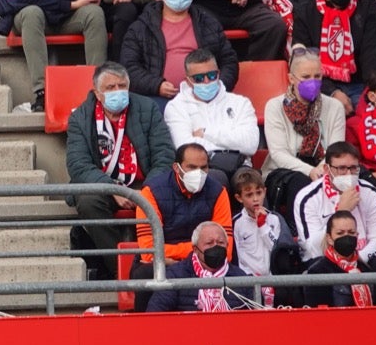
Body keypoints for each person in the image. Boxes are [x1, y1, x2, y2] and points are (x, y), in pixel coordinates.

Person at [63, 62, 174, 278]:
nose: (117, 92)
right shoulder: (80, 118)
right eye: (110, 88)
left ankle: (165, 263)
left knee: (167, 193)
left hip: (144, 182)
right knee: (87, 201)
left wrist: (147, 191)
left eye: (122, 86)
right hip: (105, 183)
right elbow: (78, 164)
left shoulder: (147, 108)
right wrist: (112, 188)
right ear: (97, 92)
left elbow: (164, 154)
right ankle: (125, 270)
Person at [134, 144, 232, 307]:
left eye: (203, 168)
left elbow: (225, 251)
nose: (198, 173)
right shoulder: (150, 192)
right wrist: (196, 252)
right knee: (145, 273)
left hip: (205, 262)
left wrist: (174, 257)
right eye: (192, 167)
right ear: (176, 168)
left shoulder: (218, 192)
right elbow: (149, 252)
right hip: (166, 264)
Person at [262, 49, 348, 230]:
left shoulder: (335, 107)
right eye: (306, 76)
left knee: (354, 175)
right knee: (300, 181)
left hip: (326, 164)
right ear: (292, 78)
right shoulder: (274, 106)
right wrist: (310, 171)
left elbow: (336, 149)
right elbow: (278, 153)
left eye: (317, 76)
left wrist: (323, 169)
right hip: (285, 170)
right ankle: (299, 233)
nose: (313, 82)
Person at [292, 0, 376, 113]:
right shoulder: (305, 12)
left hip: (359, 84)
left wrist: (369, 93)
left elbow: (371, 55)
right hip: (320, 85)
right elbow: (303, 60)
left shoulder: (367, 8)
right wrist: (332, 92)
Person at [163, 49, 258, 188]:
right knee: (215, 179)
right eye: (199, 78)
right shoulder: (176, 107)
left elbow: (250, 145)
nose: (207, 81)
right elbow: (186, 149)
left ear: (218, 73)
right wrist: (232, 143)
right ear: (188, 81)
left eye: (212, 75)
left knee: (251, 182)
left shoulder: (240, 103)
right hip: (200, 168)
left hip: (240, 165)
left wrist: (205, 133)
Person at [291, 141, 376, 261]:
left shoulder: (371, 193)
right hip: (322, 266)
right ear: (326, 169)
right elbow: (311, 249)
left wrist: (355, 263)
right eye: (341, 168)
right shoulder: (307, 197)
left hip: (363, 263)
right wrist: (341, 211)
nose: (348, 173)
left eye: (353, 168)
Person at [146, 221, 255, 313]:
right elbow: (156, 313)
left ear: (227, 246)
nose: (215, 246)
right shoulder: (174, 276)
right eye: (209, 243)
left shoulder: (241, 278)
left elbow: (257, 319)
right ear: (195, 249)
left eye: (220, 242)